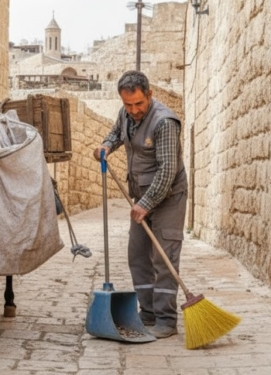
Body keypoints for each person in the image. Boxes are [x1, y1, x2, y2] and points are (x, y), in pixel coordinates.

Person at [93, 70, 188, 339]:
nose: (134, 110)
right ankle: (147, 313)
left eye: (139, 104)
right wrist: (106, 147)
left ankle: (167, 319)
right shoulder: (126, 113)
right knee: (138, 255)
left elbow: (168, 170)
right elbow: (116, 133)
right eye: (128, 104)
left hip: (169, 197)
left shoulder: (165, 122)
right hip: (141, 196)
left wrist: (145, 203)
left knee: (163, 257)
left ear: (149, 95)